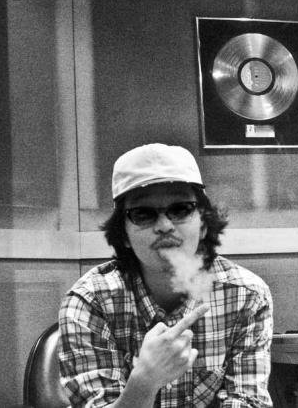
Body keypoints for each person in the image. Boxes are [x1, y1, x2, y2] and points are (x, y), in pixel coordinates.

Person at [58, 143, 273, 407]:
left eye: (181, 209)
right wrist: (144, 381)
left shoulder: (245, 295)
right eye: (143, 214)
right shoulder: (89, 301)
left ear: (203, 224)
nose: (164, 225)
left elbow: (247, 401)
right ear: (123, 234)